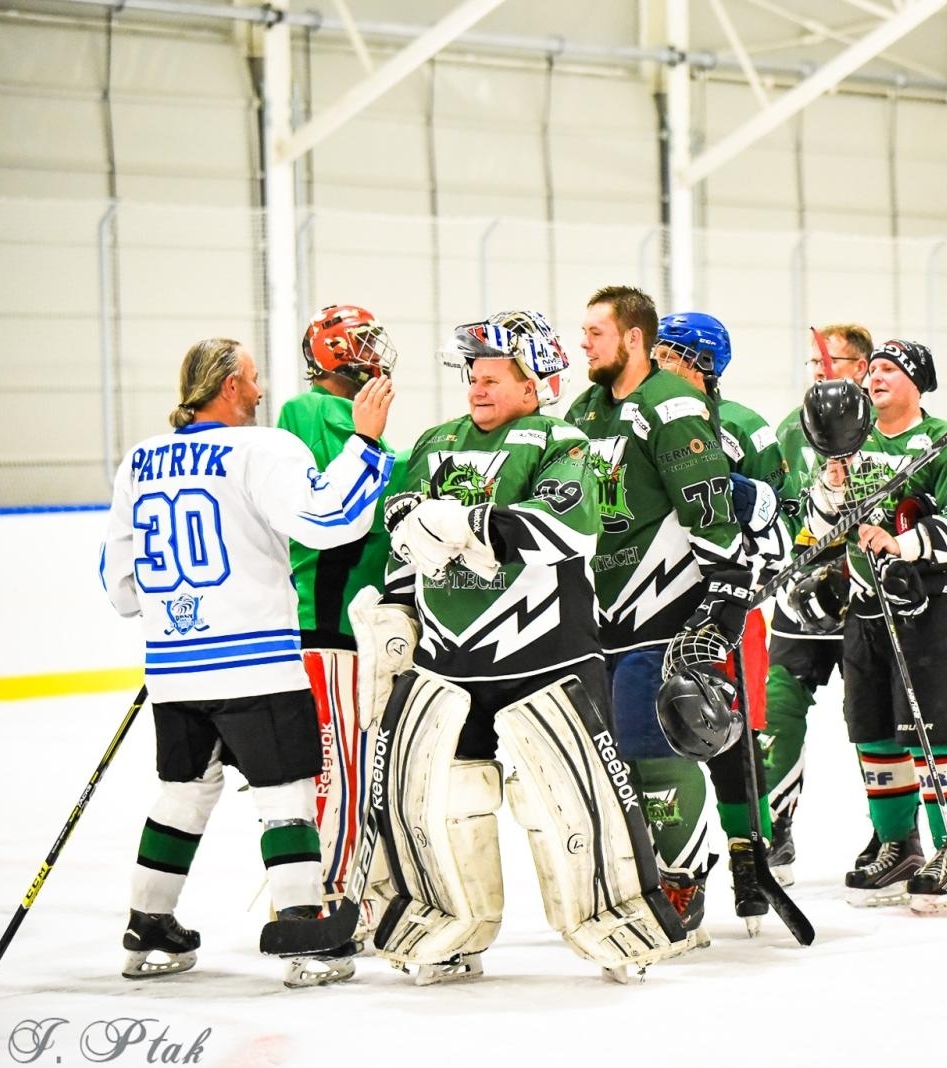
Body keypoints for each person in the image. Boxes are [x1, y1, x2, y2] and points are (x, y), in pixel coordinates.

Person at [374, 310, 688, 982]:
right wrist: (398, 610)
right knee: (446, 799)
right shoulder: (433, 442)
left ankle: (617, 924)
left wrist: (460, 522)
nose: (477, 389)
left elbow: (564, 532)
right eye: (473, 377)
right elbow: (400, 527)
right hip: (448, 662)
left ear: (532, 383)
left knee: (571, 799)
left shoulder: (562, 441)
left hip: (548, 657)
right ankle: (450, 929)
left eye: (492, 378)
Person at [100, 337, 395, 987]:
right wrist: (366, 444)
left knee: (183, 793)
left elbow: (120, 585)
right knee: (284, 794)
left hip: (174, 670)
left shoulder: (139, 461)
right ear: (230, 386)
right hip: (256, 664)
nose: (262, 392)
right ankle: (301, 934)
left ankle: (148, 924)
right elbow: (329, 520)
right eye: (255, 380)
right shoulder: (261, 448)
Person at [566, 285, 763, 939]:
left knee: (659, 747)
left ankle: (688, 879)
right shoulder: (586, 412)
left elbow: (719, 509)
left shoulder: (674, 407)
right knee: (616, 757)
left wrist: (728, 589)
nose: (584, 342)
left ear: (633, 339)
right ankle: (647, 874)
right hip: (601, 607)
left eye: (597, 331)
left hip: (666, 601)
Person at [804, 339, 947, 911]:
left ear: (919, 382)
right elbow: (818, 525)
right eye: (872, 369)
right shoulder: (849, 443)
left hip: (931, 603)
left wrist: (902, 541)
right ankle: (898, 844)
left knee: (934, 729)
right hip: (865, 602)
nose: (875, 376)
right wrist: (833, 483)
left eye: (889, 369)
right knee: (874, 729)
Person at [651, 311, 790, 930]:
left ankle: (747, 857)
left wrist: (740, 593)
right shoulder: (638, 416)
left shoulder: (746, 429)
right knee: (655, 741)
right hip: (651, 606)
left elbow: (779, 524)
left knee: (732, 736)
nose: (658, 362)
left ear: (704, 363)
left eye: (672, 353)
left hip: (727, 605)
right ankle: (671, 870)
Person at [277, 304, 410, 916]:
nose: (376, 350)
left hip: (355, 627)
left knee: (359, 768)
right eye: (364, 341)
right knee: (338, 772)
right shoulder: (308, 413)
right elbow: (348, 494)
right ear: (337, 353)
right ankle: (326, 899)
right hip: (324, 623)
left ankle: (351, 884)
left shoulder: (355, 420)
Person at [760, 322, 873, 884]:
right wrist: (788, 572)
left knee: (872, 713)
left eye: (830, 360)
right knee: (777, 701)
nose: (818, 370)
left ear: (862, 367)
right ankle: (772, 828)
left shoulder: (885, 427)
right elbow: (782, 510)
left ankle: (892, 830)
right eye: (812, 362)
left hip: (868, 595)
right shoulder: (791, 428)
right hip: (800, 597)